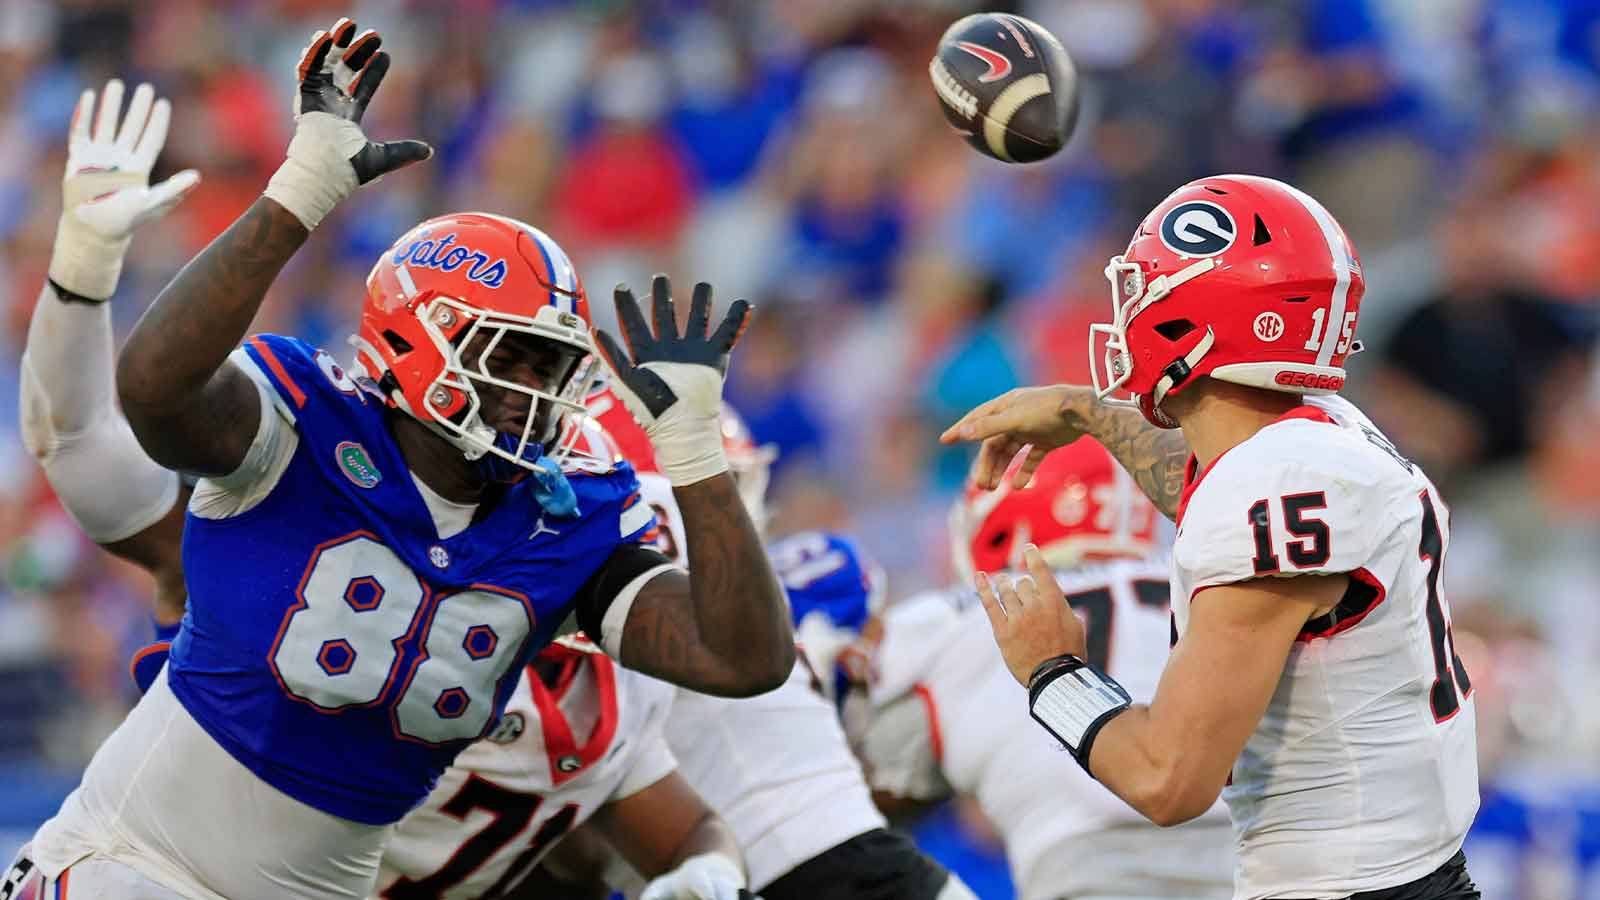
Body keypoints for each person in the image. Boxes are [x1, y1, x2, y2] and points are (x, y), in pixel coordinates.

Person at [21, 18, 793, 899]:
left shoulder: (561, 524)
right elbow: (155, 391)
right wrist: (300, 192)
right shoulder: (302, 432)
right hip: (135, 865)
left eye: (550, 368)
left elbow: (744, 661)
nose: (532, 391)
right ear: (419, 340)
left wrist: (694, 455)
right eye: (513, 358)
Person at [944, 174, 1481, 900]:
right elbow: (1211, 485)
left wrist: (1052, 671)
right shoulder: (1323, 433)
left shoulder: (1274, 489)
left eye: (1141, 292)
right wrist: (1083, 410)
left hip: (1342, 885)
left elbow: (1167, 781)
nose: (1126, 312)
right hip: (1404, 872)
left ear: (1191, 321)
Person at [580, 392, 977, 900]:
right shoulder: (815, 580)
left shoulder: (561, 597)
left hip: (721, 864)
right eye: (724, 483)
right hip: (824, 856)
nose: (734, 509)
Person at [841, 440, 1233, 899]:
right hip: (1247, 865)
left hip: (1086, 875)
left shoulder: (963, 617)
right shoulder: (1214, 587)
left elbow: (865, 783)